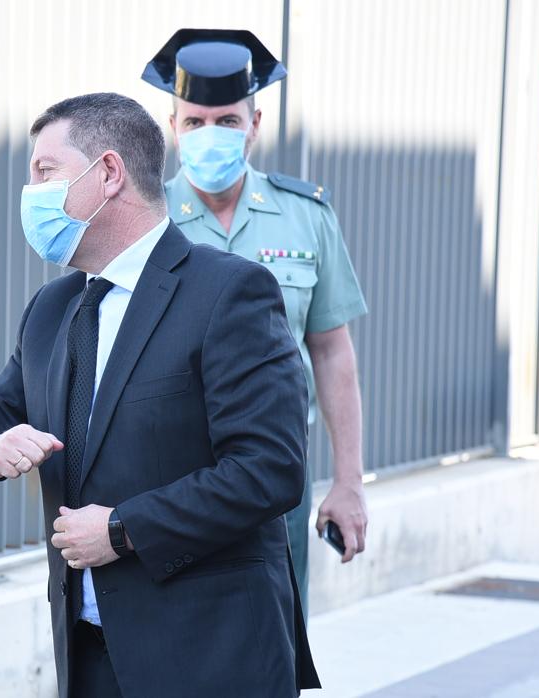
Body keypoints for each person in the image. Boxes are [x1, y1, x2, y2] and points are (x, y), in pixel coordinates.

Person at [0, 92, 320, 697]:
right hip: (89, 656)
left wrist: (122, 528)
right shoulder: (54, 309)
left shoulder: (229, 292)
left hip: (211, 657)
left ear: (109, 174)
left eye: (44, 171)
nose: (31, 192)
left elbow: (269, 470)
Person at [143, 29, 371, 613]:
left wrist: (348, 483)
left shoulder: (305, 215)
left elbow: (331, 350)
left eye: (226, 120)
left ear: (255, 124)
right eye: (194, 123)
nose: (210, 135)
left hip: (276, 480)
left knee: (274, 640)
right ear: (173, 128)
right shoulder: (146, 222)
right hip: (166, 478)